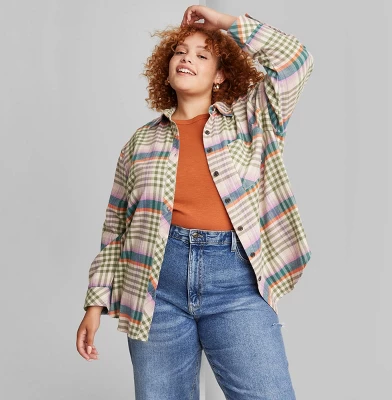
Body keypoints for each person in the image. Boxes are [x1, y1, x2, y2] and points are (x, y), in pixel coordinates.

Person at [76, 5, 314, 399]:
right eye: (180, 52)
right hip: (157, 290)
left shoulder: (251, 119)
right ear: (167, 67)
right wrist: (94, 305)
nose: (187, 58)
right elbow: (116, 229)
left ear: (220, 75)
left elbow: (295, 62)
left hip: (236, 286)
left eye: (203, 55)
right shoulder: (140, 143)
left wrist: (225, 24)